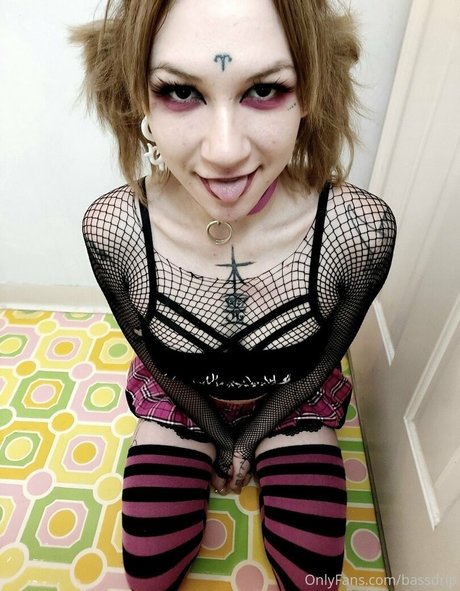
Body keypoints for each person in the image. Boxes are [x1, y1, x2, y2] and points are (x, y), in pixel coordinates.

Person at [72, 0, 396, 589]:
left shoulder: (358, 230)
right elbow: (153, 359)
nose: (224, 152)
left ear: (309, 93)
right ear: (139, 100)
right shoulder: (115, 229)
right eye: (180, 91)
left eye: (265, 89)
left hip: (292, 399)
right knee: (147, 575)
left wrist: (249, 439)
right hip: (181, 395)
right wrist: (221, 439)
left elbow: (322, 360)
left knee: (316, 578)